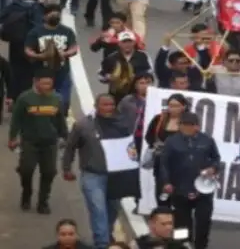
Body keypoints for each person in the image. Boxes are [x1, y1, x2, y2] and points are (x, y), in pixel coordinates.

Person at [62, 94, 131, 249]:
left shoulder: (122, 123)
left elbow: (130, 147)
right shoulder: (83, 125)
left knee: (113, 209)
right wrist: (66, 168)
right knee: (98, 209)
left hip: (116, 175)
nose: (108, 108)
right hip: (92, 174)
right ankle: (102, 243)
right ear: (96, 105)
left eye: (111, 104)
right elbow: (70, 147)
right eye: (104, 105)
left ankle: (105, 233)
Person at [9, 68, 68, 214]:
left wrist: (66, 137)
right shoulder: (25, 98)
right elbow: (16, 120)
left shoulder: (57, 99)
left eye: (50, 84)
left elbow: (60, 120)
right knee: (26, 170)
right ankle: (26, 193)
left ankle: (43, 202)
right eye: (44, 84)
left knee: (49, 172)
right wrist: (12, 138)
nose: (47, 87)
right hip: (30, 142)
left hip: (50, 142)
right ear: (36, 82)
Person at [160, 112, 221, 249]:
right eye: (183, 125)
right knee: (182, 224)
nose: (186, 128)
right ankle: (182, 246)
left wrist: (213, 168)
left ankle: (201, 246)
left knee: (203, 222)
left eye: (189, 125)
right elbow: (164, 163)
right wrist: (166, 182)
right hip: (180, 188)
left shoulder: (207, 141)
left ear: (197, 127)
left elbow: (216, 159)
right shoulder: (171, 141)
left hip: (203, 189)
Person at [25, 4, 79, 117]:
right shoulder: (35, 32)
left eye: (57, 14)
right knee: (42, 101)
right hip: (42, 72)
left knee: (63, 101)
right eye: (52, 13)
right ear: (45, 16)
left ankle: (60, 119)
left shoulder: (67, 31)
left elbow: (74, 47)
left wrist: (65, 54)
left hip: (62, 71)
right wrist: (40, 56)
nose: (55, 16)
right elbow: (28, 49)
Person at [0, 0, 44, 106]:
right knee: (28, 74)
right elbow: (40, 27)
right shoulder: (37, 8)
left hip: (15, 44)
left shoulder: (13, 6)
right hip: (31, 46)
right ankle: (24, 102)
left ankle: (13, 99)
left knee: (14, 71)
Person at [145, 92, 189, 205]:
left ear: (183, 107)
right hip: (161, 160)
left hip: (180, 162)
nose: (172, 109)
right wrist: (155, 144)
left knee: (179, 192)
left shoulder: (188, 122)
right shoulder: (159, 119)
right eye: (170, 105)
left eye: (176, 106)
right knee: (161, 189)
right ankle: (163, 211)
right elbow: (149, 136)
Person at [99, 31, 152, 105]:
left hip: (138, 95)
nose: (127, 44)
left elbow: (150, 73)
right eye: (124, 42)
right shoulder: (111, 58)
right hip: (117, 96)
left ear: (134, 42)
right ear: (119, 43)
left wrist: (138, 78)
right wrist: (108, 77)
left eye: (129, 42)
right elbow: (101, 75)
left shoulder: (143, 56)